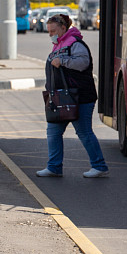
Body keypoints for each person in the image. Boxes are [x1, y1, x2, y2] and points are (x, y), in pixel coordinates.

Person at [36, 13, 108, 178]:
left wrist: (63, 61)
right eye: (49, 32)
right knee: (53, 132)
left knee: (83, 131)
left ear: (63, 28)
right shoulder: (60, 44)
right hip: (61, 97)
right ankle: (54, 167)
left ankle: (99, 166)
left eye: (53, 31)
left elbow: (83, 63)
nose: (51, 35)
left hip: (80, 97)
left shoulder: (75, 44)